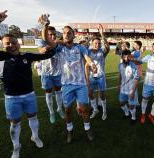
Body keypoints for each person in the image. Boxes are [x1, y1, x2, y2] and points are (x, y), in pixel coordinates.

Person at [0, 11, 57, 158]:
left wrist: (51, 46)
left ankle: (35, 136)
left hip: (29, 95)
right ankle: (16, 146)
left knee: (33, 117)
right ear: (3, 46)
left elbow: (48, 54)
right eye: (7, 44)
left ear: (18, 43)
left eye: (14, 42)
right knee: (15, 123)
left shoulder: (26, 56)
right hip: (11, 98)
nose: (11, 45)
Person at [40, 14, 97, 142]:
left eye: (69, 33)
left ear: (73, 35)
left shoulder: (80, 47)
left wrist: (92, 64)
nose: (66, 34)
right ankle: (70, 130)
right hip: (66, 85)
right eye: (64, 33)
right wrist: (45, 26)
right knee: (68, 111)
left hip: (81, 84)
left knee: (84, 109)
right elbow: (46, 39)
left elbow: (87, 58)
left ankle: (87, 129)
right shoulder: (60, 48)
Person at [38, 26, 65, 124]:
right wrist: (48, 47)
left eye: (54, 34)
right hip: (46, 73)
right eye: (50, 34)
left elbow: (62, 45)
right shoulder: (42, 42)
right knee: (48, 94)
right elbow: (41, 50)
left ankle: (60, 109)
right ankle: (51, 112)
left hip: (58, 72)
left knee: (59, 92)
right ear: (46, 35)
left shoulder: (59, 44)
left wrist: (57, 43)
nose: (53, 36)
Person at [85, 24, 110, 120]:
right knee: (90, 94)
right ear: (92, 43)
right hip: (91, 77)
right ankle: (95, 109)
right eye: (96, 43)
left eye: (99, 43)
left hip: (101, 77)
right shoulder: (88, 52)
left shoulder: (102, 52)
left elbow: (107, 46)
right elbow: (82, 47)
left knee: (102, 95)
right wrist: (89, 39)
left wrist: (102, 35)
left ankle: (104, 111)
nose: (98, 45)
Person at [118, 50, 140, 124]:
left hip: (131, 89)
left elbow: (137, 79)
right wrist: (119, 85)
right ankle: (127, 113)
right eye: (124, 56)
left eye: (128, 57)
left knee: (131, 106)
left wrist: (133, 92)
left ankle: (133, 118)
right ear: (122, 57)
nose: (126, 58)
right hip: (123, 89)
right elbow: (120, 75)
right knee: (121, 103)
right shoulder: (120, 65)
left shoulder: (133, 66)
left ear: (130, 57)